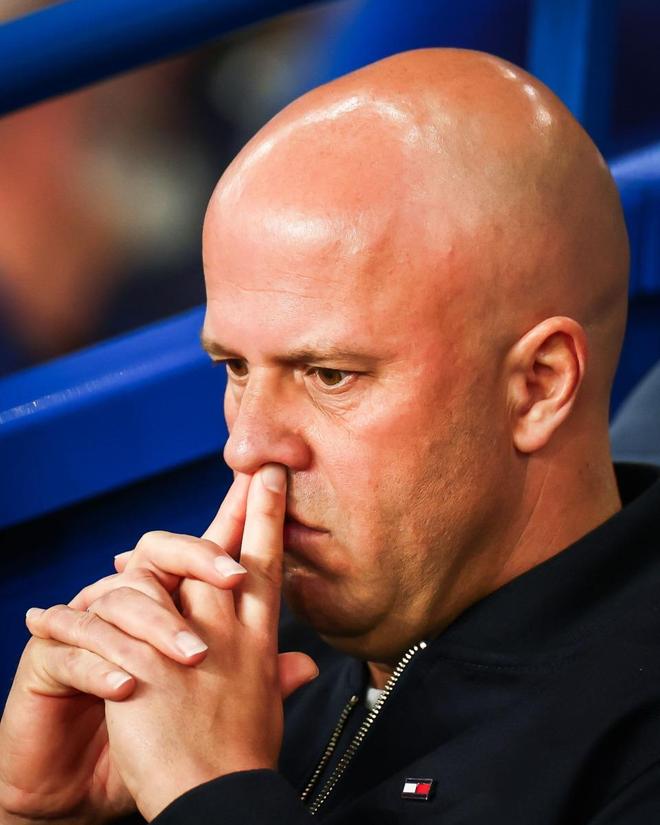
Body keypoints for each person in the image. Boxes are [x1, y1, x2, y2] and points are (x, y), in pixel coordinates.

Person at [1, 47, 659, 824]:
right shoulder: (221, 672)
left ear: (538, 385)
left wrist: (211, 796)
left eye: (330, 374)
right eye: (235, 367)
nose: (248, 446)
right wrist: (35, 816)